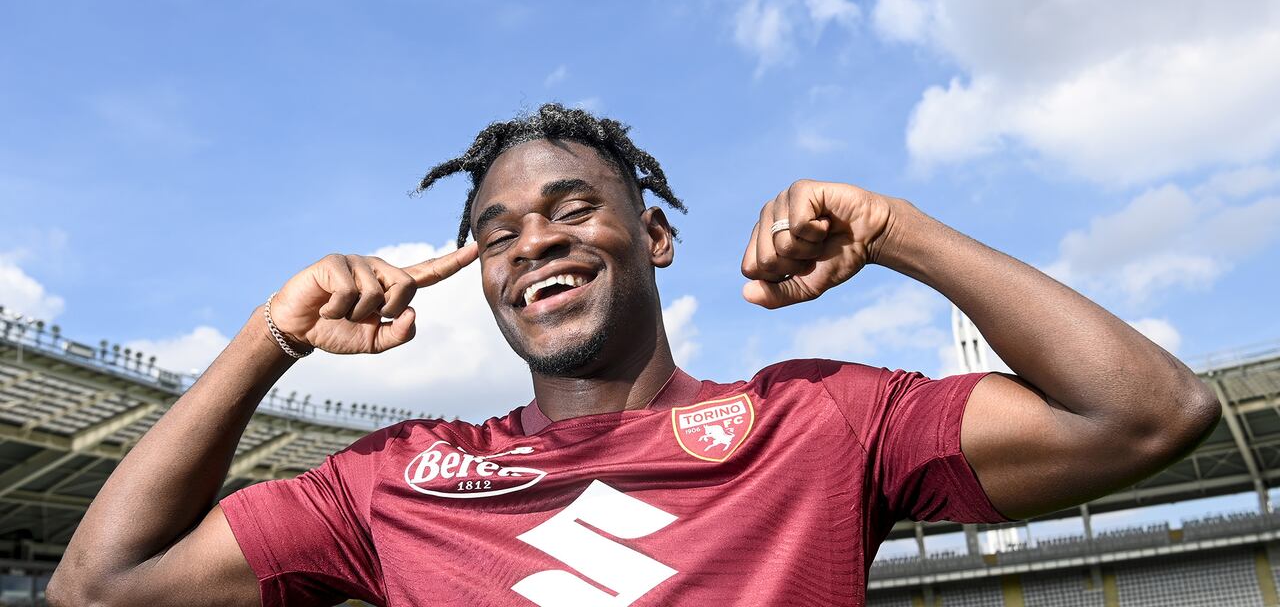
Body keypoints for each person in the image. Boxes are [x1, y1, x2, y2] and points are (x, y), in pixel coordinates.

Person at [48, 104, 1220, 606]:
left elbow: (1146, 414)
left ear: (654, 236)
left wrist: (893, 229)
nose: (533, 243)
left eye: (570, 209)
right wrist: (270, 340)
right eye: (495, 233)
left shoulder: (813, 423)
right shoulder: (394, 480)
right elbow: (98, 590)